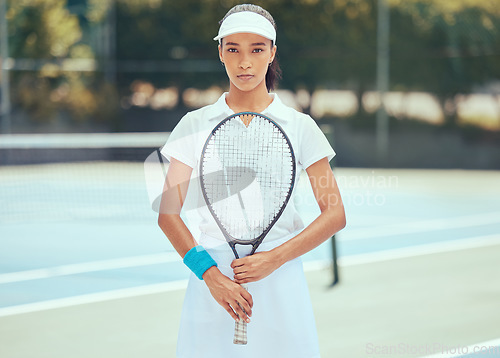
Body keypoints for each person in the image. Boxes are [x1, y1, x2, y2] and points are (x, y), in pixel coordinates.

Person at [158, 4, 346, 358]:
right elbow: (168, 214)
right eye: (233, 49)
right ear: (220, 53)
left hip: (282, 285)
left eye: (256, 49)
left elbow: (335, 214)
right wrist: (211, 277)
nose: (244, 62)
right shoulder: (194, 124)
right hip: (212, 287)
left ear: (272, 52)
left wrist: (273, 259)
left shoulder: (300, 127)